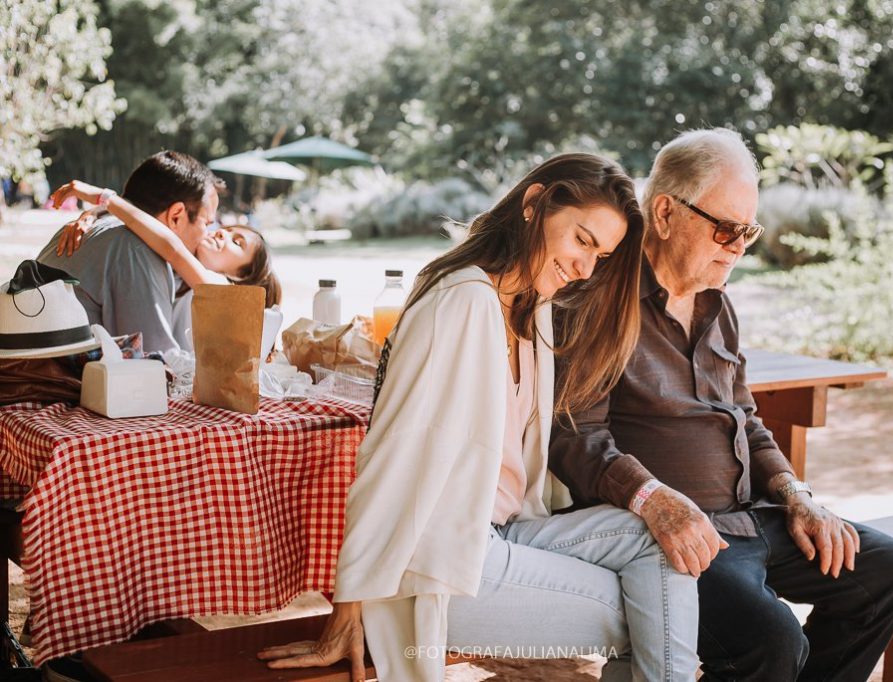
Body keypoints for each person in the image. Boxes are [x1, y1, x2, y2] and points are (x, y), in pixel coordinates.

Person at [258, 153, 700, 681]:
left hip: (508, 533)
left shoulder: (531, 310)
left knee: (663, 545)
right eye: (582, 240)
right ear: (534, 204)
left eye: (600, 255)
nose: (586, 268)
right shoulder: (462, 303)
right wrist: (347, 608)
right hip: (445, 562)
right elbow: (391, 456)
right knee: (654, 614)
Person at [549, 129, 893, 681]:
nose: (739, 245)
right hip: (671, 535)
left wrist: (797, 497)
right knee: (773, 642)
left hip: (752, 520)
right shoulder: (599, 297)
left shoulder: (717, 303)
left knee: (886, 570)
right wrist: (654, 501)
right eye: (726, 228)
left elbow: (746, 418)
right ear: (667, 212)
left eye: (748, 230)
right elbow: (577, 436)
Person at [37, 151, 222, 353]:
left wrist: (100, 205)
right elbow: (152, 362)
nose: (208, 236)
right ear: (176, 216)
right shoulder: (139, 251)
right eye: (207, 223)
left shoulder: (90, 227)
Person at [49, 178, 281, 317]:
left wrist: (103, 198)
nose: (222, 233)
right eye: (228, 230)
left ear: (240, 275)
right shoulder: (184, 266)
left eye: (237, 242)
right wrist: (95, 213)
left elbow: (169, 244)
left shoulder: (222, 287)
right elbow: (153, 219)